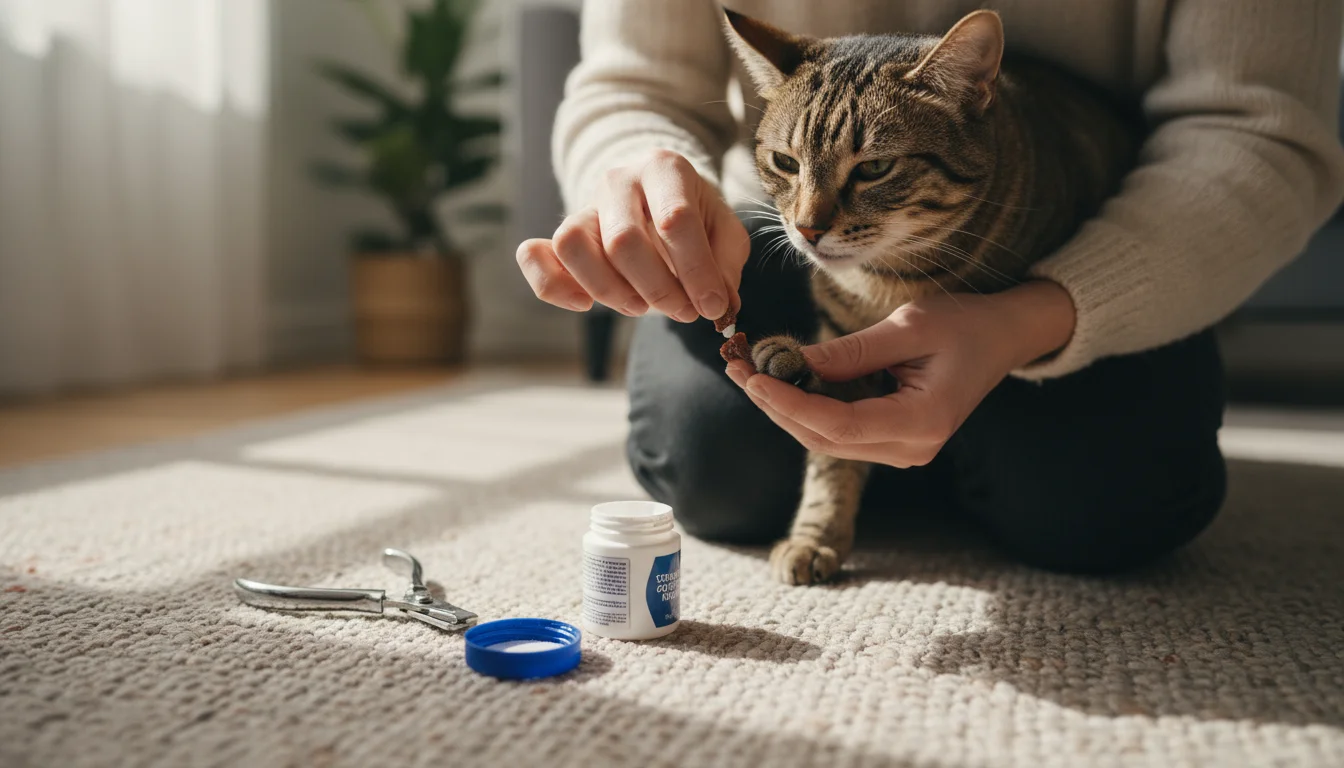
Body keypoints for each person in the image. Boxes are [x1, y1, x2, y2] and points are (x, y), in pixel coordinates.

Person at [516, 1, 1344, 573]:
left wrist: (1038, 315)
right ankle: (935, 461)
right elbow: (633, 88)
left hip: (1109, 245)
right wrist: (637, 176)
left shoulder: (1003, 175)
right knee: (714, 468)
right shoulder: (805, 215)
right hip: (755, 223)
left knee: (1117, 511)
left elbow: (1258, 129)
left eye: (868, 172)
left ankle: (957, 458)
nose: (812, 218)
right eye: (790, 170)